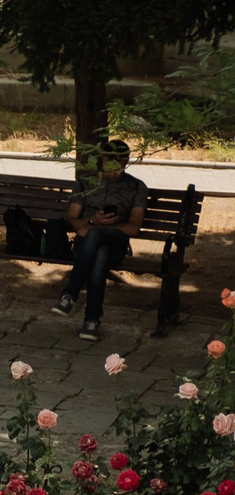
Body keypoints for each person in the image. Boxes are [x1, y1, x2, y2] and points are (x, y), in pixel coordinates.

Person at [52, 140, 148, 343]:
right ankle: (92, 322)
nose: (113, 168)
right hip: (87, 243)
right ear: (103, 159)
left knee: (96, 236)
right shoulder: (86, 182)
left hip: (116, 243)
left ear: (126, 161)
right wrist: (92, 221)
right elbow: (73, 220)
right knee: (99, 252)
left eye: (119, 162)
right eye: (109, 161)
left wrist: (102, 228)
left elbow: (134, 227)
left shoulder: (136, 187)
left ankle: (70, 295)